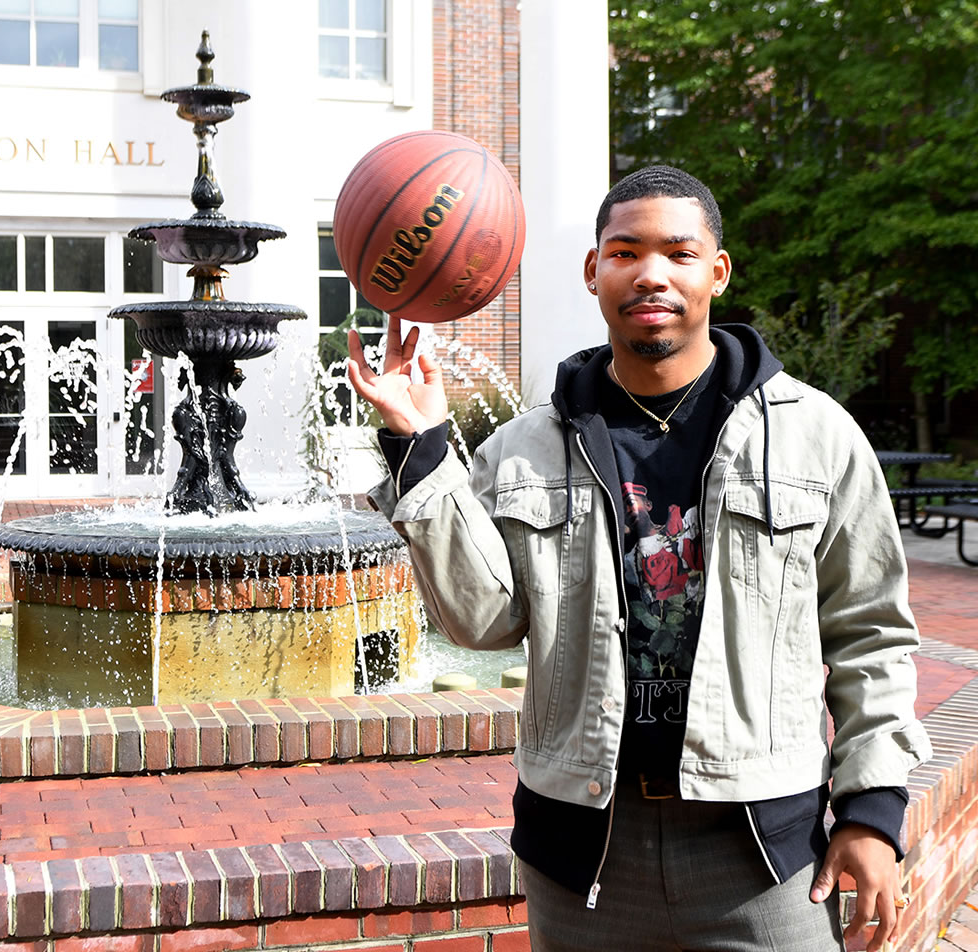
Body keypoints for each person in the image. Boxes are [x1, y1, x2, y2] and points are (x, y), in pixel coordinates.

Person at [347, 165, 931, 952]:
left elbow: (872, 635)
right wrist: (418, 449)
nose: (650, 273)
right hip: (584, 855)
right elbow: (479, 622)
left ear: (716, 272)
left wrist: (871, 807)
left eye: (678, 253)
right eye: (624, 251)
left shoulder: (815, 436)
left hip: (764, 852)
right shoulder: (524, 447)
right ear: (594, 271)